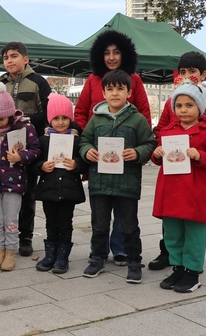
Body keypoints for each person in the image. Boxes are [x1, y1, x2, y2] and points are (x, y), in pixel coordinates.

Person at [75, 30, 152, 267]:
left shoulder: (134, 79)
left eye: (116, 52)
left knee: (124, 206)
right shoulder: (92, 80)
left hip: (125, 159)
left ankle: (120, 248)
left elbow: (144, 115)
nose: (111, 57)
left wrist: (138, 149)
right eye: (106, 53)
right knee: (100, 205)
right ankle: (97, 252)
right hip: (98, 155)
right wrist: (83, 143)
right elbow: (80, 112)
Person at [149, 51, 206, 270]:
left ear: (203, 74)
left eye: (192, 71)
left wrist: (203, 159)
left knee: (192, 216)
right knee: (172, 217)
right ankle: (170, 255)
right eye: (183, 71)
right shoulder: (173, 99)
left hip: (198, 170)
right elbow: (163, 130)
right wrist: (162, 151)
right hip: (173, 169)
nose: (187, 75)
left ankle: (191, 266)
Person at [79, 70, 157, 283]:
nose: (115, 93)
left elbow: (150, 143)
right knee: (99, 225)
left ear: (129, 92)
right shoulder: (95, 119)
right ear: (103, 93)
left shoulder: (137, 119)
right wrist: (87, 151)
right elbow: (84, 140)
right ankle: (97, 258)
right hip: (100, 183)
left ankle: (134, 261)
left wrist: (138, 153)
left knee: (129, 225)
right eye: (110, 89)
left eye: (120, 89)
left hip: (127, 184)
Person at [0, 41, 51, 257]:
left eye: (14, 56)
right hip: (1, 149)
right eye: (5, 58)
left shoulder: (39, 82)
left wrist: (24, 118)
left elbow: (49, 113)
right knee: (0, 195)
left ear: (25, 59)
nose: (9, 61)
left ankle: (25, 236)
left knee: (27, 193)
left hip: (27, 146)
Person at [0, 82, 41, 271]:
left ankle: (10, 252)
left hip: (14, 182)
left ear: (10, 113)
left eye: (2, 119)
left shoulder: (23, 129)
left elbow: (36, 149)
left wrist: (20, 157)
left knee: (11, 219)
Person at [33, 93, 86, 274]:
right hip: (49, 189)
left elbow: (85, 160)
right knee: (50, 221)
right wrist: (42, 166)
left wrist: (77, 164)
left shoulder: (77, 139)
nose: (61, 122)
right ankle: (50, 254)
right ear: (50, 119)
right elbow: (34, 162)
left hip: (69, 190)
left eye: (65, 118)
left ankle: (63, 256)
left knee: (65, 222)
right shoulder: (43, 140)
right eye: (56, 118)